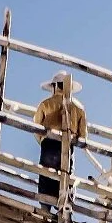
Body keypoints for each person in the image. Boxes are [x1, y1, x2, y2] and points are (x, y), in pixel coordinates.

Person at [34, 70, 86, 205]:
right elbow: (83, 135)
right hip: (68, 145)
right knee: (66, 177)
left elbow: (36, 128)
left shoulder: (46, 104)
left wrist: (43, 141)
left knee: (46, 176)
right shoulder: (78, 108)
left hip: (49, 144)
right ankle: (64, 208)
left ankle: (45, 210)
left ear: (55, 86)